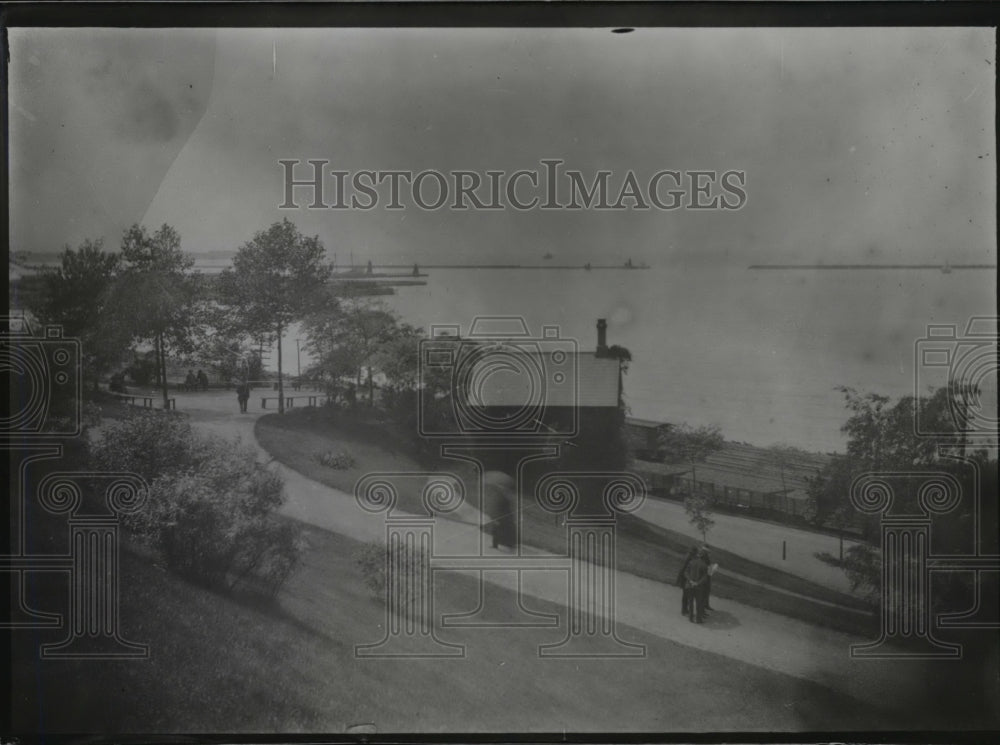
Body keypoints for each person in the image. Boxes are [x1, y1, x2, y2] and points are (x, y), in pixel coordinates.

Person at [684, 549, 710, 623]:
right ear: (704, 557)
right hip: (698, 587)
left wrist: (690, 581)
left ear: (698, 555)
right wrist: (697, 583)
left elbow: (685, 572)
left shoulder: (691, 562)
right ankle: (698, 619)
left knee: (690, 602)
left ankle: (691, 618)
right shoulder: (704, 566)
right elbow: (705, 578)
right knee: (699, 603)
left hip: (689, 585)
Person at [676, 546, 699, 616]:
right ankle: (684, 610)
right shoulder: (689, 558)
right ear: (694, 552)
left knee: (686, 595)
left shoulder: (688, 556)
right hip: (685, 578)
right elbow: (683, 569)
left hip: (685, 578)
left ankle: (685, 609)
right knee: (686, 595)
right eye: (696, 553)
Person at [701, 545, 716, 612]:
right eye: (706, 552)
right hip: (705, 576)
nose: (707, 553)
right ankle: (703, 607)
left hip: (708, 576)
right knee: (704, 592)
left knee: (707, 591)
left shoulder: (706, 557)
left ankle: (706, 605)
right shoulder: (702, 557)